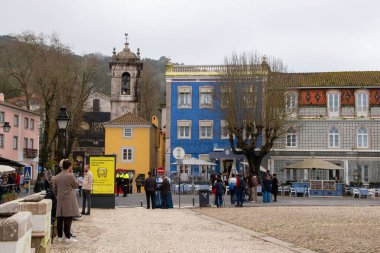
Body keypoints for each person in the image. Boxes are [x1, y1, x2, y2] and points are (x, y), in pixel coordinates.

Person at [54, 159, 80, 242]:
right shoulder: (70, 175)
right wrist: (71, 173)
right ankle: (68, 236)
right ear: (69, 166)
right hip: (68, 200)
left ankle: (59, 236)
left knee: (60, 218)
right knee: (68, 218)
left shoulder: (57, 176)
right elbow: (76, 185)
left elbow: (54, 189)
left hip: (60, 200)